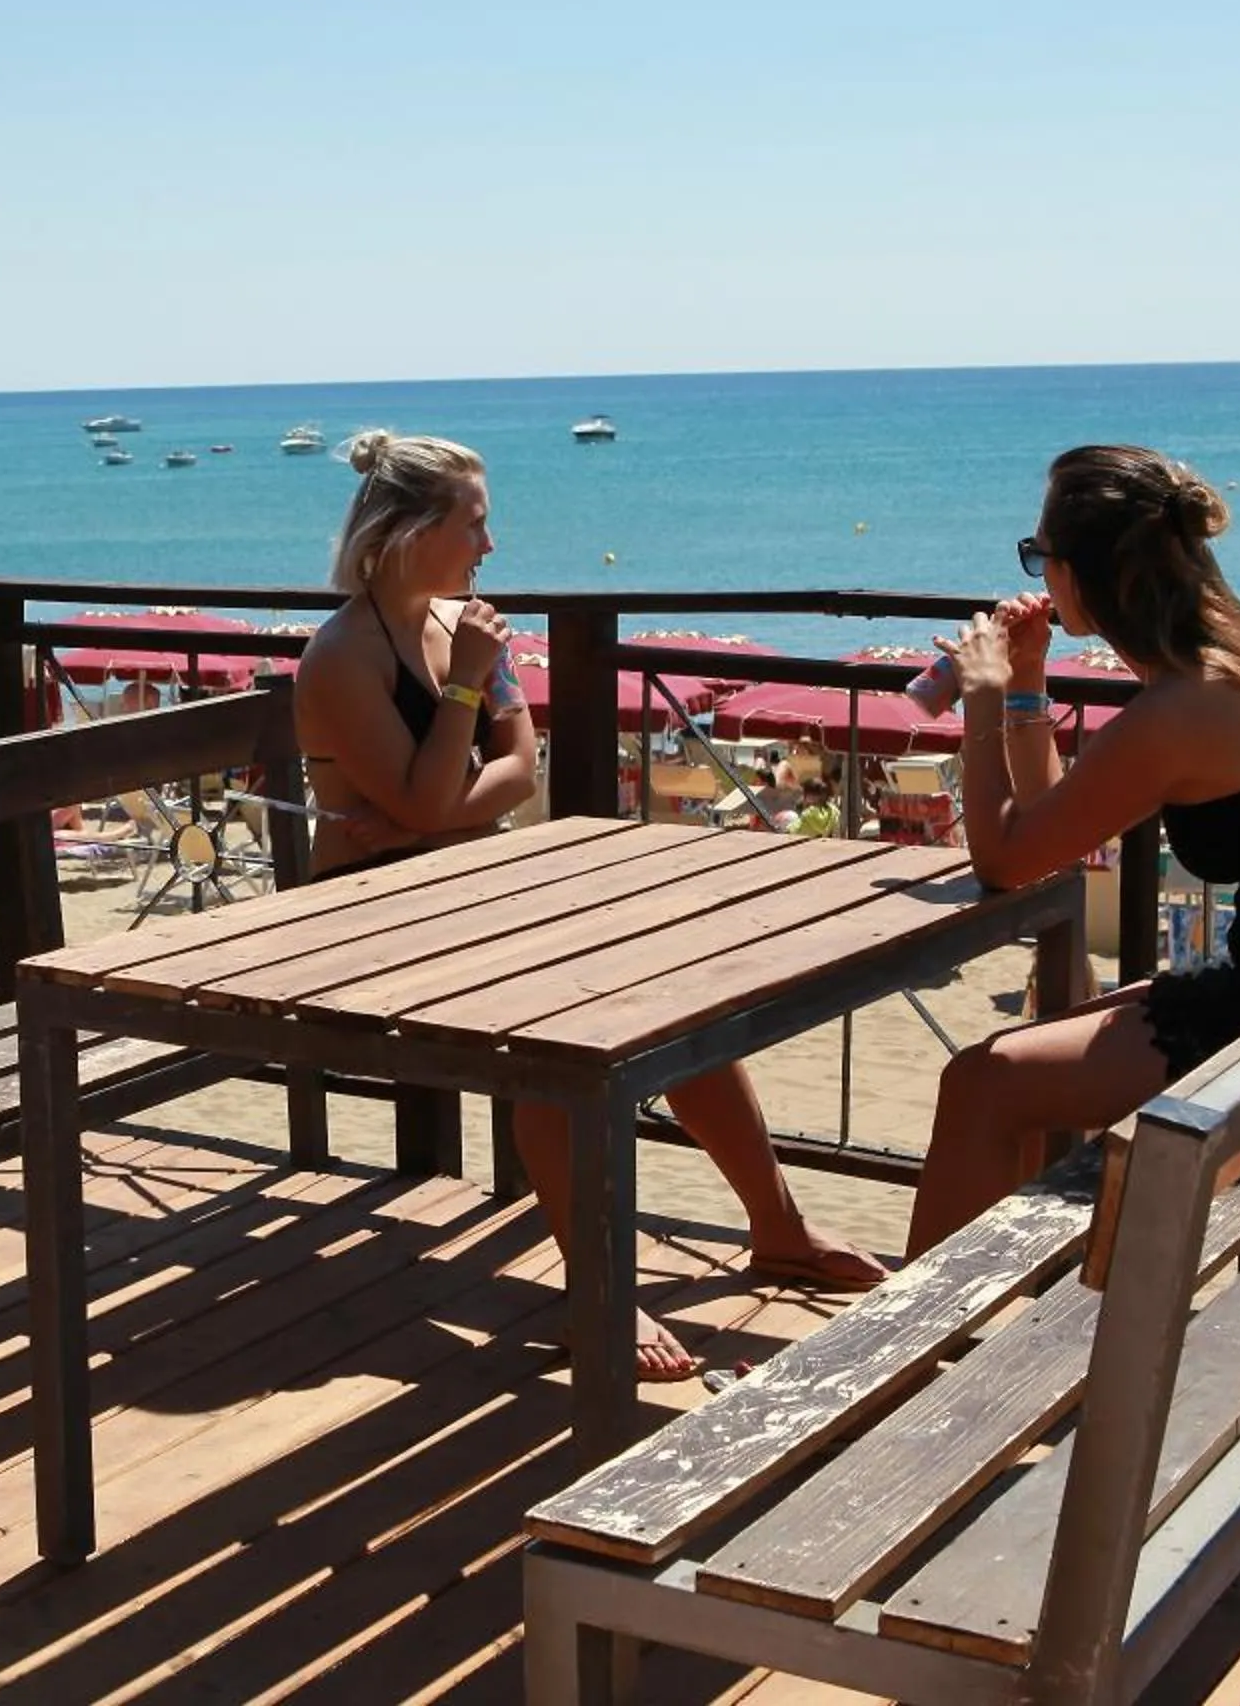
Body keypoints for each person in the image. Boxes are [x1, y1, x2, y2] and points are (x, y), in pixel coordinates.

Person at [294, 429, 880, 1381]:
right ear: (411, 530)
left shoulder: (468, 627)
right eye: (474, 524)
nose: (490, 546)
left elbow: (520, 773)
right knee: (561, 1035)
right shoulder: (345, 655)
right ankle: (597, 1287)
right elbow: (437, 797)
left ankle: (778, 1227)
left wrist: (435, 799)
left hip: (462, 882)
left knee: (674, 992)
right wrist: (464, 710)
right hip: (366, 916)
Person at [907, 444, 1240, 1253]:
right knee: (1015, 1063)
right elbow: (1051, 825)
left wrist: (979, 698)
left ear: (1082, 571)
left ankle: (915, 1364)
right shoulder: (1233, 672)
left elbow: (1005, 860)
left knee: (982, 1086)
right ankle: (1000, 1318)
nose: (1036, 575)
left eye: (1038, 555)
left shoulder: (1183, 708)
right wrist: (1025, 683)